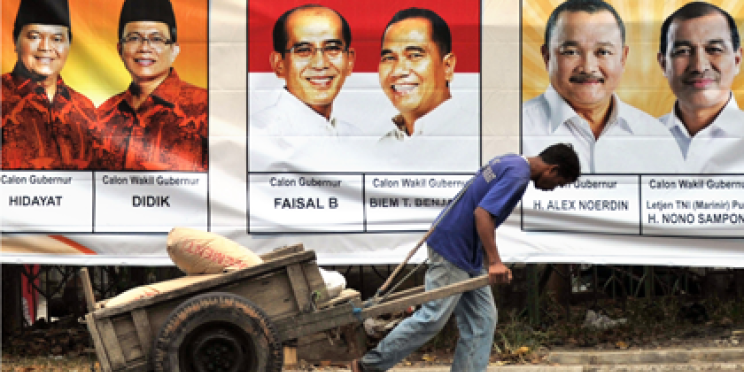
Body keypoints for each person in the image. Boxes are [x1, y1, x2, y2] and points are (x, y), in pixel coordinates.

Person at [351, 143, 581, 372]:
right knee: (433, 317)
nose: (554, 188)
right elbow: (482, 214)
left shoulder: (511, 161)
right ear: (552, 169)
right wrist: (495, 262)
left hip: (469, 254)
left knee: (482, 321)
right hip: (454, 248)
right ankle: (369, 366)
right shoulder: (518, 175)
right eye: (559, 183)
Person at [522, 0, 681, 173]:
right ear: (547, 57)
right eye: (571, 52)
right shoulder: (512, 132)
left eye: (603, 52)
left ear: (623, 58)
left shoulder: (656, 136)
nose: (588, 67)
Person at [95, 0, 207, 171]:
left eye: (156, 39)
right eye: (134, 38)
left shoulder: (205, 107)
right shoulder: (104, 114)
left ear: (174, 50)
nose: (145, 48)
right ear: (120, 49)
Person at [249, 4, 361, 171]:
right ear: (279, 65)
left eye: (332, 49)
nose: (320, 64)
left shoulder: (356, 137)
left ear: (349, 62)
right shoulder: (255, 136)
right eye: (303, 50)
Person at [2, 0, 97, 170]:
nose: (45, 47)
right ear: (15, 40)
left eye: (57, 38)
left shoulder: (85, 110)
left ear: (69, 45)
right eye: (34, 36)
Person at [657, 2, 744, 173]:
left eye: (714, 49)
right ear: (663, 63)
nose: (699, 66)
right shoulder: (638, 140)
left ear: (737, 60)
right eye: (683, 51)